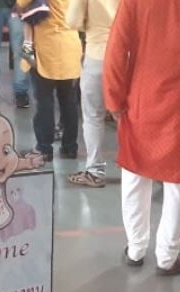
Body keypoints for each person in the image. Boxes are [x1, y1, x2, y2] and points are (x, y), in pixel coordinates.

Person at [103, 0, 180, 275]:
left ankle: (135, 248)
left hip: (141, 96)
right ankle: (167, 257)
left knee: (135, 173)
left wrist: (114, 98)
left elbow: (117, 48)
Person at [16, 0, 81, 161]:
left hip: (47, 48)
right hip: (70, 45)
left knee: (44, 101)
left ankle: (44, 148)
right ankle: (70, 147)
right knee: (69, 102)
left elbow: (21, 3)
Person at [65, 0, 119, 188]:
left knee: (93, 115)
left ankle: (95, 171)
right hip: (128, 55)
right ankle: (138, 170)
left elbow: (73, 20)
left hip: (98, 53)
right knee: (129, 116)